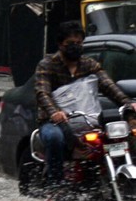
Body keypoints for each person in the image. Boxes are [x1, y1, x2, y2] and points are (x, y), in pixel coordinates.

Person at [35, 20, 136, 186]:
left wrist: (127, 103)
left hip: (89, 119)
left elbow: (108, 85)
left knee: (122, 135)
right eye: (70, 43)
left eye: (78, 43)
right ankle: (56, 184)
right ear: (60, 44)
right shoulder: (47, 65)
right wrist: (55, 112)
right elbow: (42, 92)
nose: (75, 46)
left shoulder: (89, 64)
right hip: (56, 121)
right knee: (54, 138)